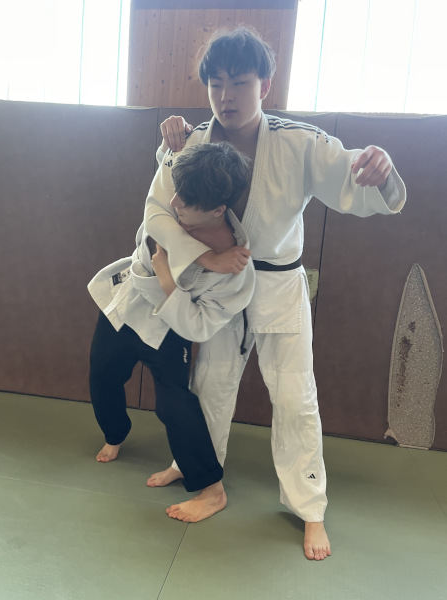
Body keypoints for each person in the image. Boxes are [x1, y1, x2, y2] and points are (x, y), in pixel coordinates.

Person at [145, 27, 406, 560]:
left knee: (294, 396)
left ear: (265, 85)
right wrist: (203, 258)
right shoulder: (192, 141)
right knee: (209, 384)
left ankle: (309, 507)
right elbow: (159, 210)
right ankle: (197, 468)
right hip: (217, 282)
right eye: (216, 84)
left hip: (280, 284)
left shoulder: (299, 140)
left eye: (240, 82)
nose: (227, 96)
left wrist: (379, 171)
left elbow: (353, 178)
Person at [88, 141, 255, 522]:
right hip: (128, 305)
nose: (175, 201)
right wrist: (205, 257)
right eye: (176, 192)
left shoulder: (236, 268)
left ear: (218, 209)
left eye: (186, 200)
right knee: (102, 373)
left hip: (170, 326)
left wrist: (167, 278)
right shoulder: (177, 196)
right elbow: (153, 221)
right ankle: (115, 433)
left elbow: (197, 325)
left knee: (174, 403)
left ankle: (211, 488)